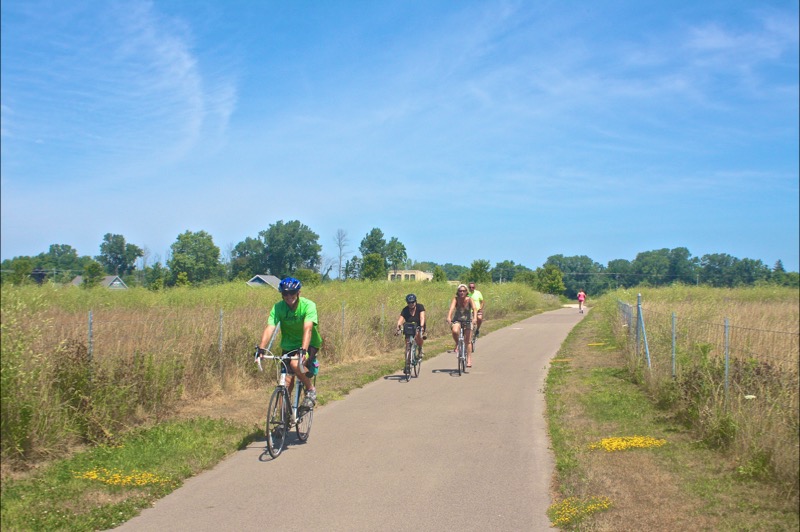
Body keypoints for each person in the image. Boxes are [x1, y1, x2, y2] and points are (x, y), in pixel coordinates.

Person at [256, 277, 322, 409]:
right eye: (285, 293)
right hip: (289, 345)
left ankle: (310, 389)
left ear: (298, 292)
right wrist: (261, 348)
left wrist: (303, 350)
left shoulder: (308, 305)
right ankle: (283, 418)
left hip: (309, 344)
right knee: (285, 381)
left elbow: (308, 328)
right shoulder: (278, 308)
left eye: (292, 292)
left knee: (295, 363)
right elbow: (270, 328)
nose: (289, 296)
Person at [447, 284, 476, 368]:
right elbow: (452, 308)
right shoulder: (456, 299)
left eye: (463, 291)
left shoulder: (470, 299)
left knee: (468, 341)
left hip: (468, 320)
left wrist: (474, 318)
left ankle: (469, 359)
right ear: (458, 292)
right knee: (455, 331)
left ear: (467, 292)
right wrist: (449, 316)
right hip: (458, 319)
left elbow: (474, 308)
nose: (462, 292)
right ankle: (457, 343)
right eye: (460, 291)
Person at [395, 293, 426, 369]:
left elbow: (422, 317)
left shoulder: (420, 307)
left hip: (418, 325)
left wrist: (422, 326)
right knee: (407, 346)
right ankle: (407, 364)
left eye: (413, 302)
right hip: (409, 327)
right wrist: (398, 327)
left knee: (418, 335)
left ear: (415, 301)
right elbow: (400, 320)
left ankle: (420, 348)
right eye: (409, 303)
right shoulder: (405, 310)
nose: (411, 304)